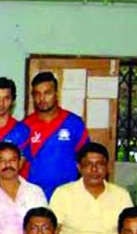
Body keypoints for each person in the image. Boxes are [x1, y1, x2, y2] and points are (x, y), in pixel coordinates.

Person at [50, 142, 133, 234]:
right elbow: (51, 233)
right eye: (88, 164)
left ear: (107, 168)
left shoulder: (121, 195)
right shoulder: (63, 193)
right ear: (79, 167)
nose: (94, 170)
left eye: (100, 164)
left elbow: (130, 233)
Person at [23, 71, 90, 199]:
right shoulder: (25, 126)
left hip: (69, 196)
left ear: (56, 93)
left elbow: (85, 160)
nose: (42, 99)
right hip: (35, 196)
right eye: (37, 94)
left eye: (47, 93)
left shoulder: (74, 123)